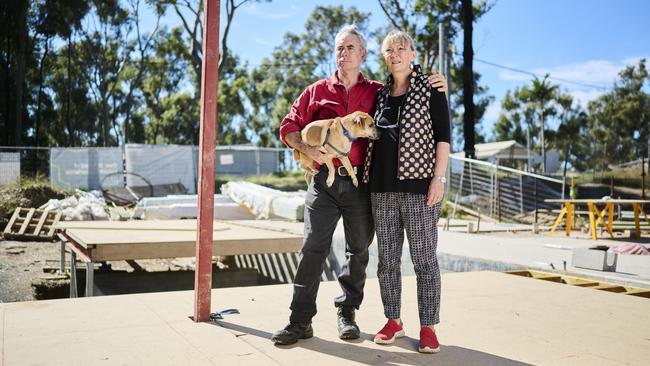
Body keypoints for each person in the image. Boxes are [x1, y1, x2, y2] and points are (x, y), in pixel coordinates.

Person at [271, 24, 447, 346]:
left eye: (350, 48)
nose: (343, 53)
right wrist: (307, 148)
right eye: (339, 48)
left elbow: (415, 97)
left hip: (360, 186)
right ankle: (299, 321)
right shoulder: (316, 91)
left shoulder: (377, 91)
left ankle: (347, 313)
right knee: (312, 249)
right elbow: (288, 127)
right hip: (323, 184)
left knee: (359, 252)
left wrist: (437, 82)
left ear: (363, 54)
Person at [362, 30, 450, 354]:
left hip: (419, 190)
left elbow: (443, 138)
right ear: (385, 57)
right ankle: (393, 320)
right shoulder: (380, 95)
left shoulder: (432, 89)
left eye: (401, 48)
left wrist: (438, 178)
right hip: (381, 189)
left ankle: (428, 327)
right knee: (386, 261)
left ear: (412, 54)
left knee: (425, 260)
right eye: (389, 50)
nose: (395, 53)